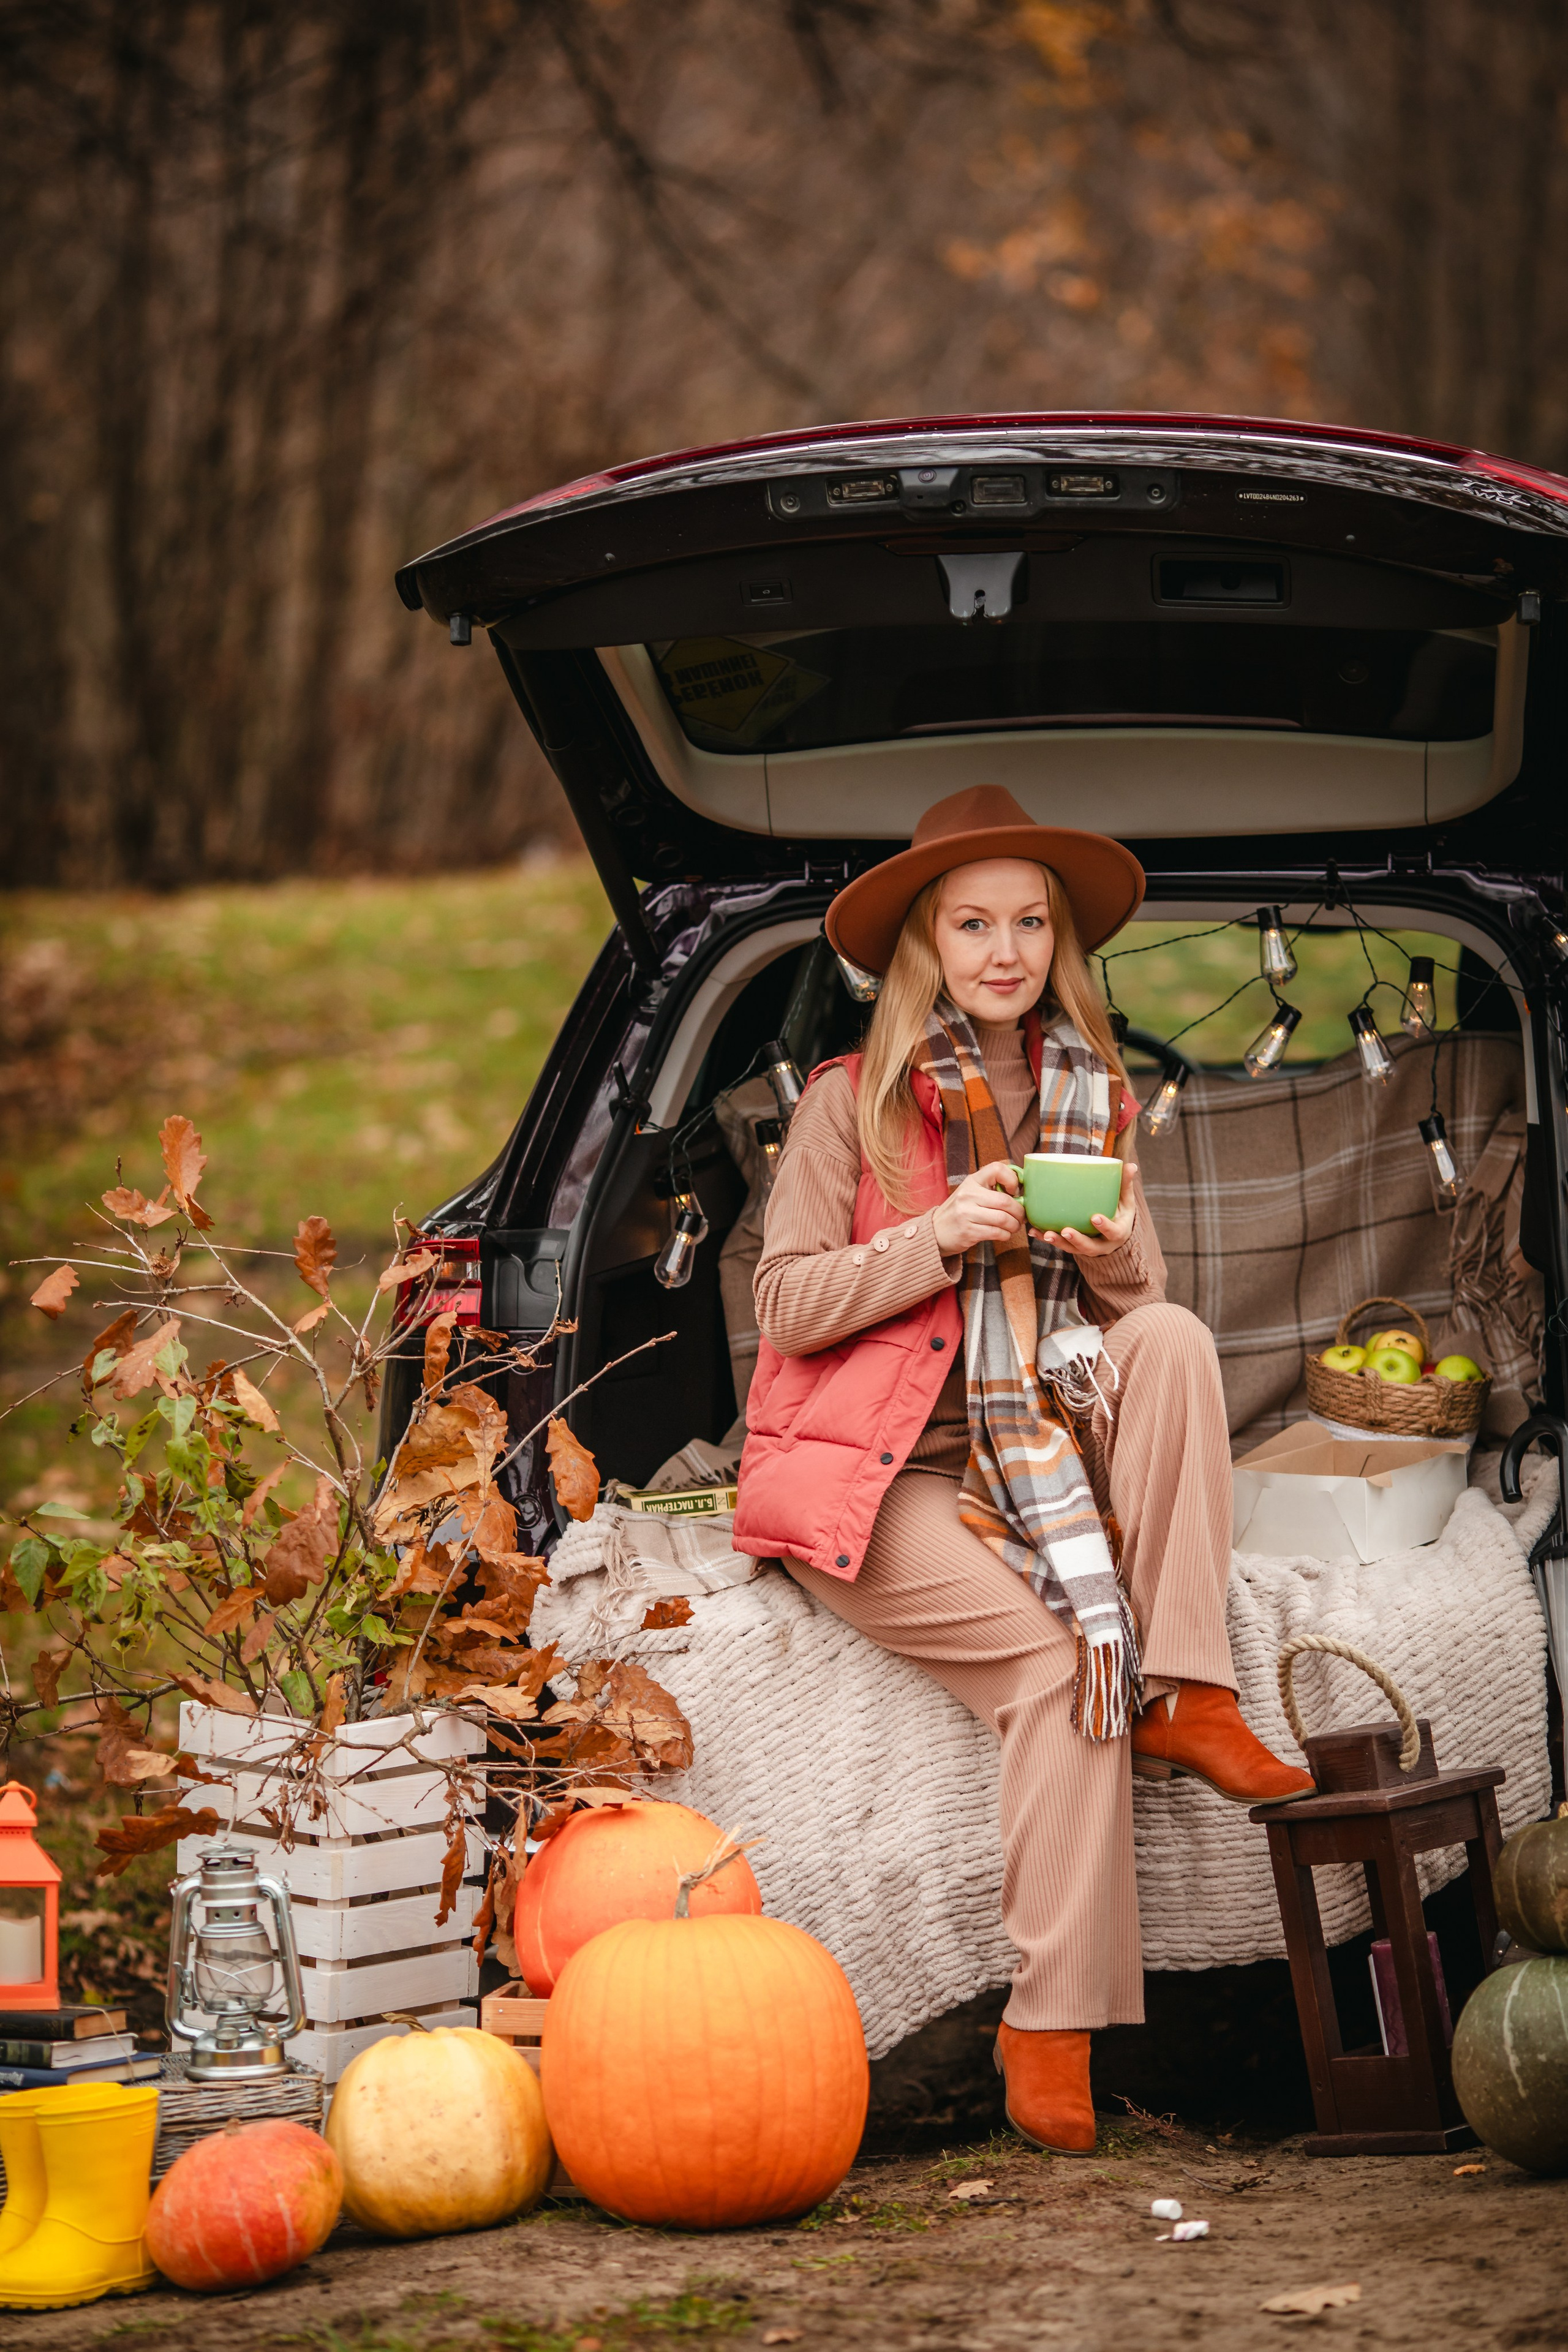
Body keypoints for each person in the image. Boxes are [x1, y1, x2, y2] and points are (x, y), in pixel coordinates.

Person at [732, 785, 1313, 2157]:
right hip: (883, 1472)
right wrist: (935, 1235)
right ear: (924, 944)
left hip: (1036, 1435)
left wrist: (1113, 1248)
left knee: (1170, 1337)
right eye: (973, 924)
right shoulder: (847, 1104)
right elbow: (784, 1306)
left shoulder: (1090, 1093)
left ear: (1061, 943)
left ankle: (1189, 1688)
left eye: (1031, 924)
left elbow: (1135, 1312)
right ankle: (1047, 2022)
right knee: (1060, 1676)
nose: (1006, 951)